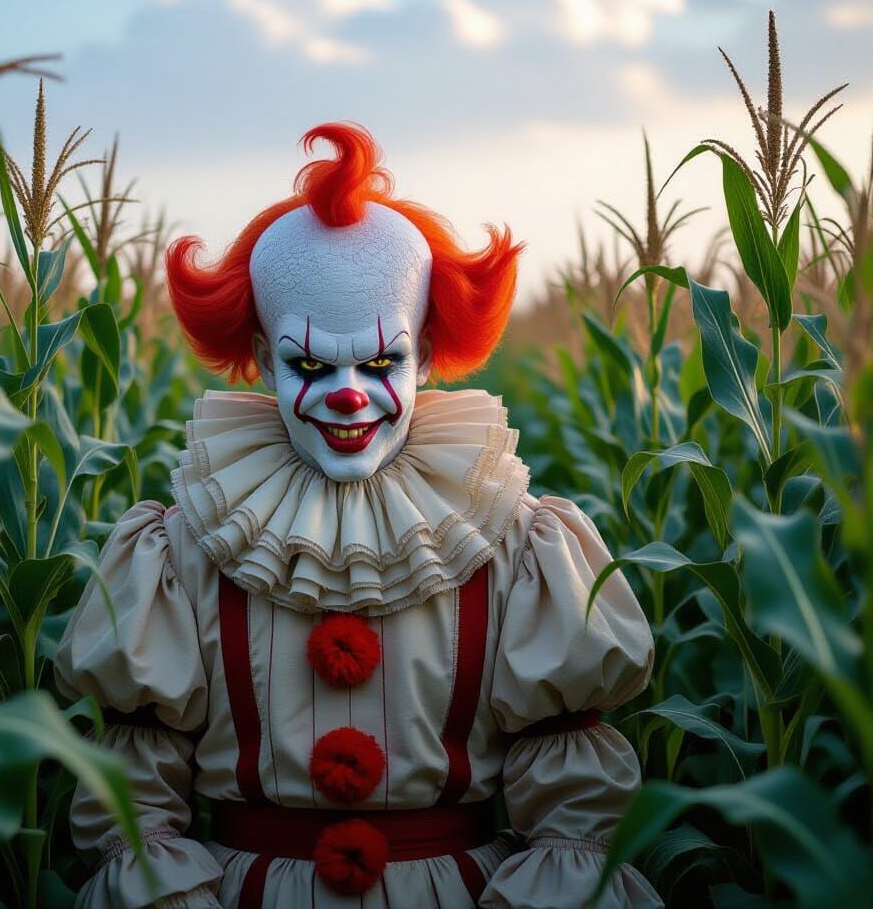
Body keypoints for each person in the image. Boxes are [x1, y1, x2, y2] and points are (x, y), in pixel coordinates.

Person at [55, 122, 661, 908]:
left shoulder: (517, 545)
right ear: (265, 359)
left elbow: (577, 818)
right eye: (311, 363)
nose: (349, 393)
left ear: (430, 357)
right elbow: (133, 805)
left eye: (382, 362)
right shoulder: (182, 550)